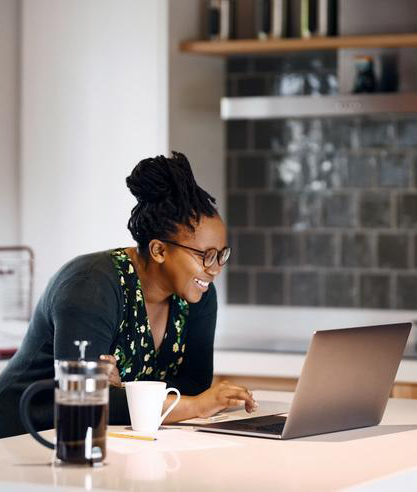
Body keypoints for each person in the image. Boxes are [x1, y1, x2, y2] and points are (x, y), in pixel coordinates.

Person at [0, 151, 256, 438]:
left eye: (221, 255)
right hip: (22, 436)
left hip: (104, 439)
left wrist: (122, 391)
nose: (216, 268)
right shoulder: (90, 287)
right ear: (159, 250)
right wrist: (194, 406)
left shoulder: (198, 294)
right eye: (206, 255)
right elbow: (85, 400)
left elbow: (193, 383)